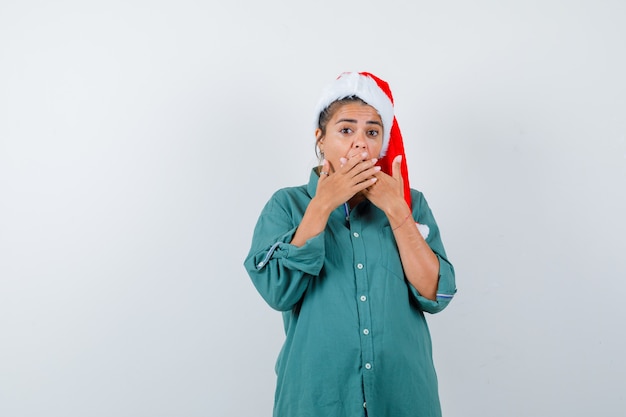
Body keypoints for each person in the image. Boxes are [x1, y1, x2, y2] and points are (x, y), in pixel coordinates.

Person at [244, 72, 456, 417]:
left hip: (403, 397)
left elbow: (437, 295)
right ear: (321, 139)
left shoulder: (410, 203)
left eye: (372, 132)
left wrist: (397, 211)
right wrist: (322, 205)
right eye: (346, 130)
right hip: (317, 398)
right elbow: (277, 291)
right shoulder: (287, 205)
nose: (361, 143)